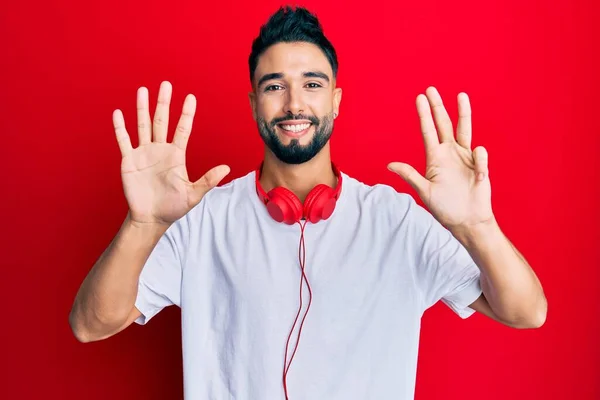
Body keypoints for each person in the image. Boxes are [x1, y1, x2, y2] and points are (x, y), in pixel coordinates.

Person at [69, 5, 547, 400]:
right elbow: (90, 326)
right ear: (254, 101)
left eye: (312, 84)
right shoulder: (201, 220)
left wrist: (476, 226)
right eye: (275, 86)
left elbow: (527, 313)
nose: (294, 103)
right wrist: (144, 223)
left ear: (336, 100)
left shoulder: (397, 221)